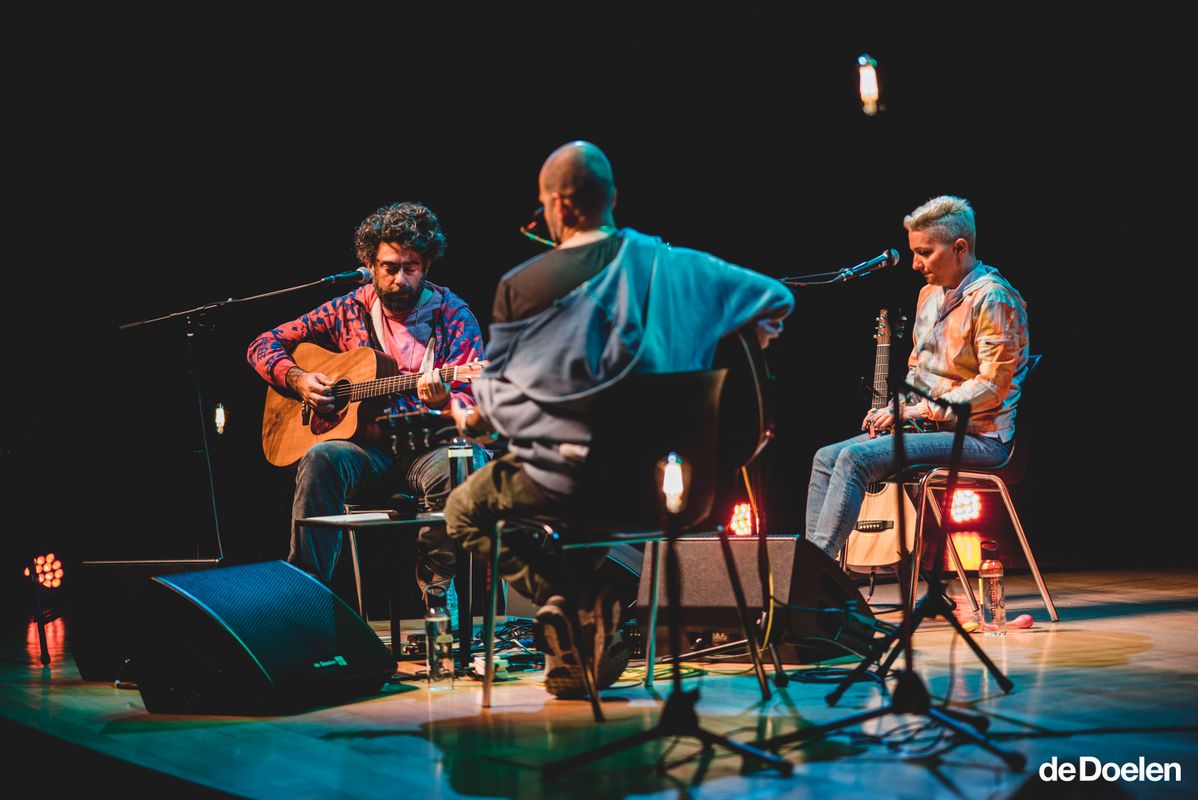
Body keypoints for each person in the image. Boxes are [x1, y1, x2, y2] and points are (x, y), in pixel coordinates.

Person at [443, 141, 794, 697]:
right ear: (612, 198)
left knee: (464, 510)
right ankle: (579, 647)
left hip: (569, 484)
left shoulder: (523, 286)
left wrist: (473, 421)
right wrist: (747, 335)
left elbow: (502, 406)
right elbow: (776, 297)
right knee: (586, 519)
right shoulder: (682, 266)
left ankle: (573, 602)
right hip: (673, 488)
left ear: (560, 205)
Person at [247, 201, 488, 608]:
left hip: (427, 450)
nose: (399, 279)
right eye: (389, 268)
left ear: (426, 265)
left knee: (461, 461)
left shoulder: (453, 316)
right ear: (369, 265)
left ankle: (436, 588)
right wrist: (299, 379)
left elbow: (472, 403)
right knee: (321, 458)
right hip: (366, 452)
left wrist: (446, 399)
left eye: (410, 268)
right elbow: (262, 344)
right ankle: (305, 596)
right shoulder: (347, 309)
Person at [805, 195, 1029, 560]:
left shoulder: (994, 298)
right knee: (825, 458)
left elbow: (992, 386)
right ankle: (811, 570)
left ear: (959, 248)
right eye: (914, 252)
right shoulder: (928, 296)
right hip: (930, 429)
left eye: (924, 252)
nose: (915, 264)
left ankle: (814, 573)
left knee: (855, 460)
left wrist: (915, 411)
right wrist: (895, 410)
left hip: (981, 438)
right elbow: (918, 373)